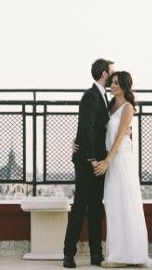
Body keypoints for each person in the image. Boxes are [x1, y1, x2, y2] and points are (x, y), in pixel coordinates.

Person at [94, 71, 152, 267]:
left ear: (125, 87)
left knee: (125, 204)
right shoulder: (110, 106)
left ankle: (128, 255)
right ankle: (118, 253)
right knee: (113, 205)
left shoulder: (128, 108)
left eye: (116, 83)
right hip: (111, 160)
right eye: (111, 83)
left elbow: (120, 137)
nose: (112, 86)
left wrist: (106, 162)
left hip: (121, 160)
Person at [63, 58, 114, 268]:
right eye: (112, 72)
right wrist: (93, 159)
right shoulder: (90, 96)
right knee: (80, 207)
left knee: (96, 208)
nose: (114, 75)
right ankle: (68, 255)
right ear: (104, 74)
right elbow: (86, 129)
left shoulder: (104, 98)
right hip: (88, 162)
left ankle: (96, 255)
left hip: (99, 161)